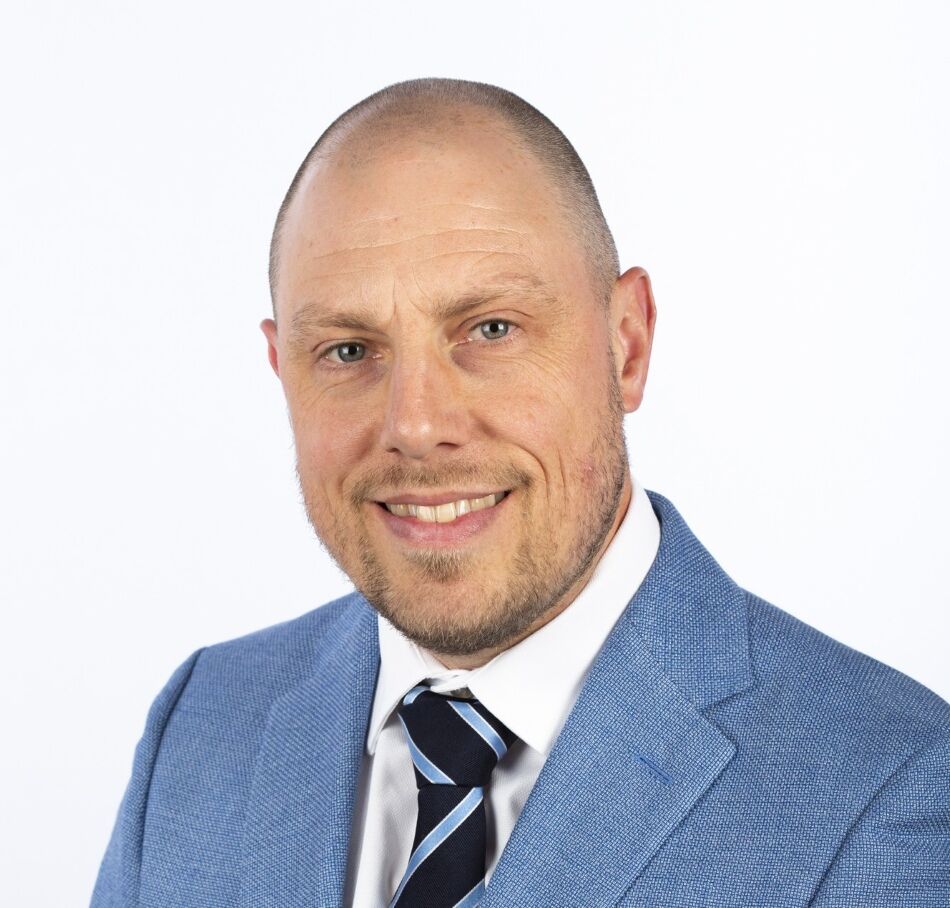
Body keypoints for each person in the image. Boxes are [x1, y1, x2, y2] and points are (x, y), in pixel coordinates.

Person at [91, 78, 950, 908]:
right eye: (349, 351)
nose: (416, 425)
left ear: (627, 345)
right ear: (282, 373)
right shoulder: (201, 726)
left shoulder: (887, 794)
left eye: (490, 329)